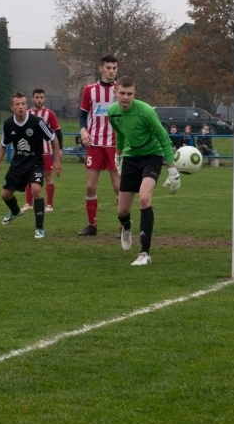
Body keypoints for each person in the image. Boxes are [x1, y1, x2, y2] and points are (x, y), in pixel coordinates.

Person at [109, 76, 180, 266]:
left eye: (129, 94)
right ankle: (126, 226)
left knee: (144, 198)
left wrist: (172, 169)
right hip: (131, 158)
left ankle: (144, 253)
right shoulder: (112, 112)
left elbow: (163, 138)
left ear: (134, 94)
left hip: (152, 156)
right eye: (121, 93)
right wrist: (119, 156)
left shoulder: (146, 111)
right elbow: (120, 134)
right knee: (122, 210)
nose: (125, 98)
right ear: (115, 92)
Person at [0, 91, 61, 239]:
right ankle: (15, 211)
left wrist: (57, 160)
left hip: (35, 163)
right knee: (5, 195)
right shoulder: (8, 124)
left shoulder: (37, 122)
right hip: (17, 165)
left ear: (26, 105)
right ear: (12, 107)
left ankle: (39, 228)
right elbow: (3, 145)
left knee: (36, 189)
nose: (21, 107)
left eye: (23, 104)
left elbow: (53, 139)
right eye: (17, 104)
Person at [77, 54, 120, 236]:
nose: (112, 71)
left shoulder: (121, 90)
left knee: (118, 187)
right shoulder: (90, 90)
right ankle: (92, 225)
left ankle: (123, 226)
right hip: (94, 143)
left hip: (115, 144)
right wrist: (83, 131)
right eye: (108, 67)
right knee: (90, 186)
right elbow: (82, 115)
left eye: (114, 68)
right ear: (101, 68)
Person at [22, 88, 63, 213]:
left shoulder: (49, 114)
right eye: (37, 97)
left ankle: (49, 205)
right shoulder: (27, 113)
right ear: (32, 98)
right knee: (29, 176)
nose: (39, 100)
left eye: (41, 97)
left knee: (47, 176)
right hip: (30, 151)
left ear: (44, 98)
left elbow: (58, 132)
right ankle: (29, 203)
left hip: (46, 151)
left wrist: (59, 150)